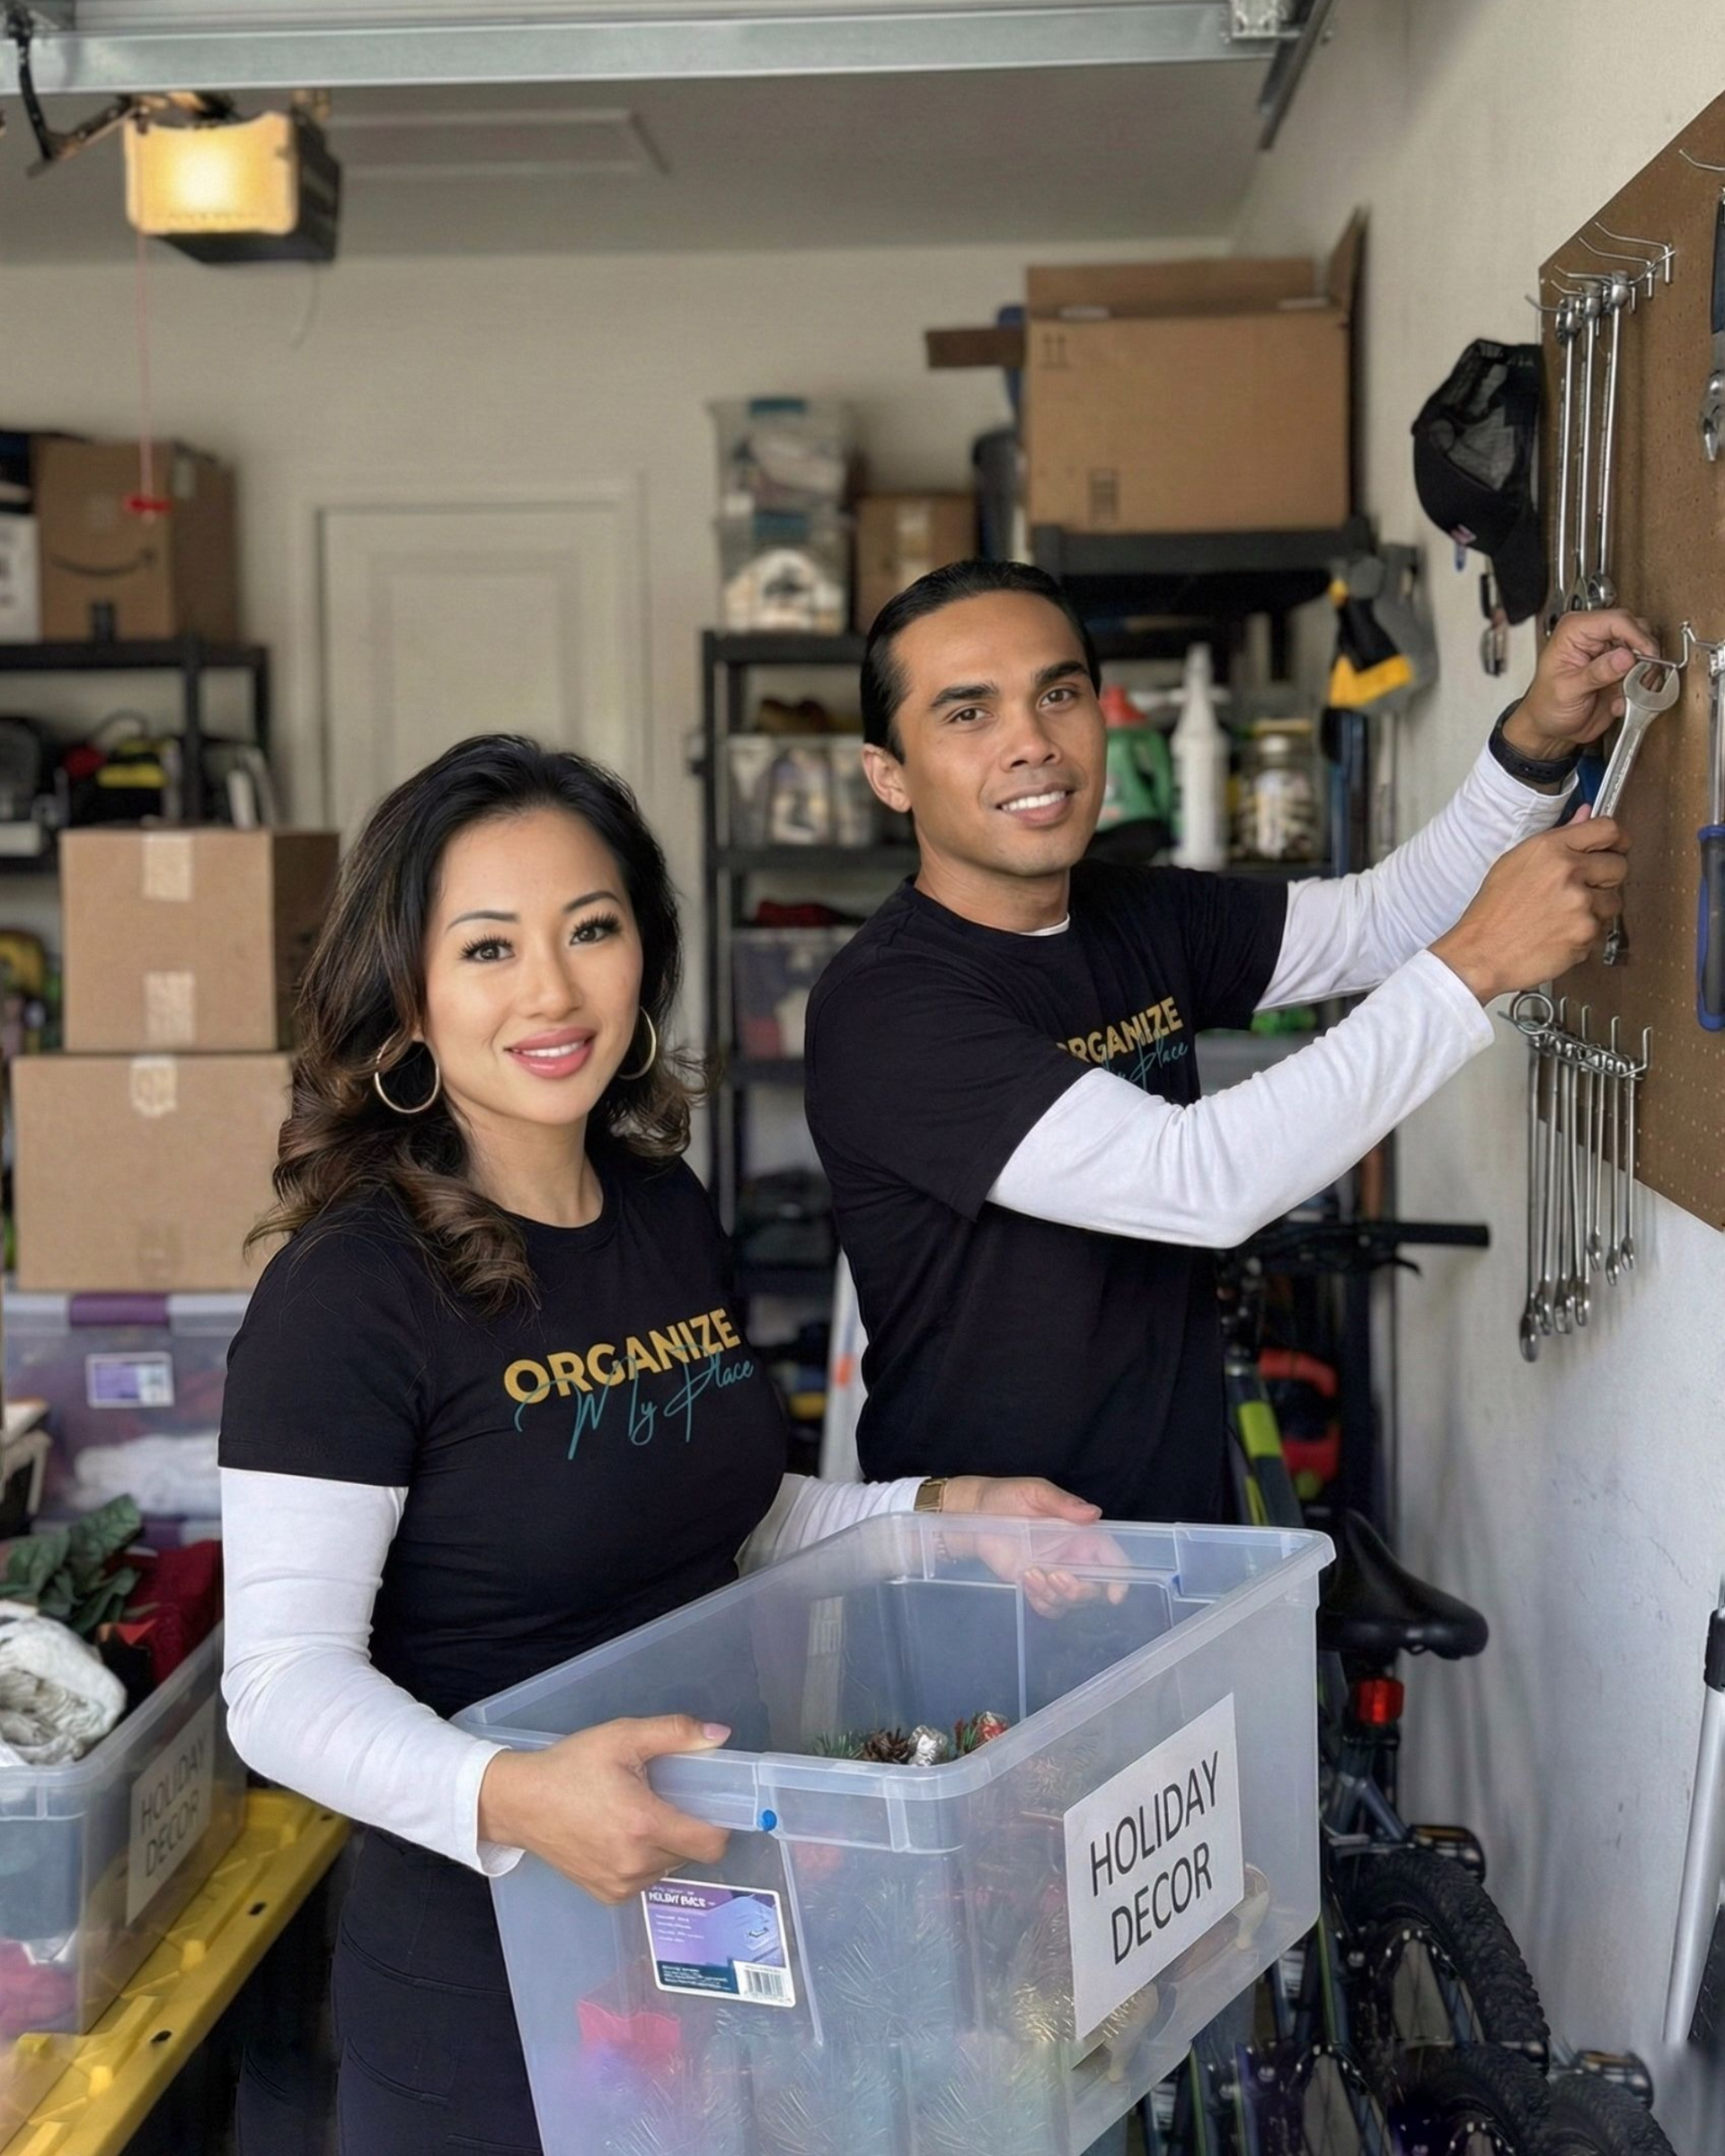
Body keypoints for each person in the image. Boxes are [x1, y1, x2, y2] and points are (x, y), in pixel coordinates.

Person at [217, 735, 1110, 2155]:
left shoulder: (656, 1207)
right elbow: (273, 1688)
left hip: (715, 1925)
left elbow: (723, 1515)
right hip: (491, 1973)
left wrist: (945, 1510)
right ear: (406, 997)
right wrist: (510, 1792)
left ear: (646, 950)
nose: (554, 991)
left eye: (591, 929)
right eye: (490, 949)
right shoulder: (348, 1291)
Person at [805, 560, 1641, 1522]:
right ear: (889, 776)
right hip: (992, 1581)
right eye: (968, 714)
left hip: (1179, 1533)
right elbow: (1195, 1181)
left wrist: (1535, 744)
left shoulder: (1135, 909)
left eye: (1059, 694)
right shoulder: (888, 1008)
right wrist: (1474, 966)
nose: (1032, 744)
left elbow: (1383, 919)